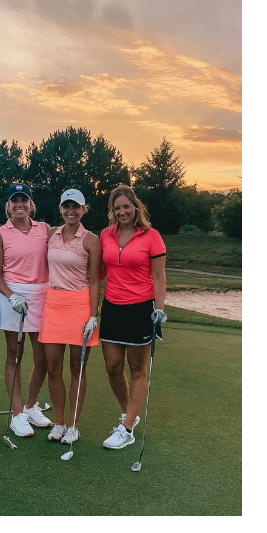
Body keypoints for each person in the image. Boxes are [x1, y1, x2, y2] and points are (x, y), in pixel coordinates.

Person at [98, 186, 167, 451]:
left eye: (126, 206)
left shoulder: (152, 236)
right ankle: (130, 413)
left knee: (137, 369)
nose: (122, 211)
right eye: (117, 208)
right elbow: (99, 270)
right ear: (112, 212)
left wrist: (158, 308)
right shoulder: (106, 235)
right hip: (113, 308)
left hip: (141, 308)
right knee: (113, 367)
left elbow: (159, 276)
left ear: (135, 207)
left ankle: (126, 428)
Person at [39, 190, 102, 444]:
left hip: (79, 305)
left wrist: (93, 315)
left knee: (77, 368)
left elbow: (95, 279)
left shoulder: (90, 240)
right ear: (60, 208)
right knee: (53, 368)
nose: (71, 211)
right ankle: (60, 422)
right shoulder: (50, 234)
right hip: (53, 305)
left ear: (83, 209)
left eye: (76, 206)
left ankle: (74, 425)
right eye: (66, 206)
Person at [0, 183, 52, 438]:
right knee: (15, 354)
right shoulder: (0, 233)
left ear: (30, 204)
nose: (19, 205)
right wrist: (10, 295)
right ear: (8, 205)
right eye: (14, 200)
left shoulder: (44, 229)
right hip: (12, 295)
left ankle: (30, 406)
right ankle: (17, 414)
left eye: (23, 200)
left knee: (43, 358)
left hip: (42, 296)